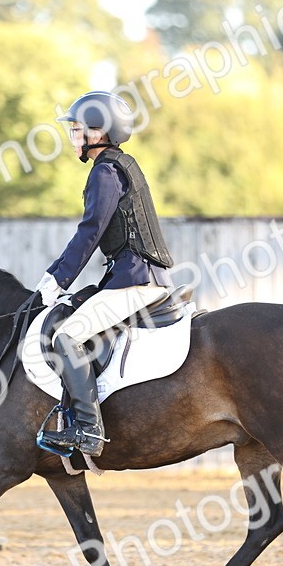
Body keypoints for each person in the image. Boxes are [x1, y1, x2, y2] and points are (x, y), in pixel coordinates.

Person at [35, 91, 175, 457]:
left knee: (67, 337)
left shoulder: (106, 171)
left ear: (98, 131)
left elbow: (90, 230)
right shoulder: (120, 164)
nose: (73, 136)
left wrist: (57, 279)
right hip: (130, 276)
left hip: (137, 279)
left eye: (78, 129)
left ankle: (88, 430)